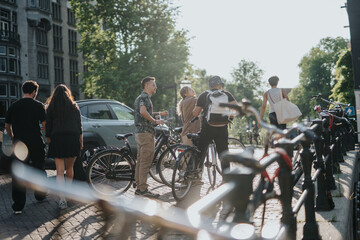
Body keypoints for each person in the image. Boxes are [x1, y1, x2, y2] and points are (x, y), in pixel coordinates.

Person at [5, 80, 47, 214]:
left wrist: (12, 137)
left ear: (24, 91)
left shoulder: (14, 106)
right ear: (34, 91)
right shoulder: (39, 106)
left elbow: (7, 125)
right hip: (36, 142)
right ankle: (40, 195)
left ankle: (18, 205)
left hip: (19, 145)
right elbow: (45, 124)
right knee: (39, 168)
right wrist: (45, 137)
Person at [45, 84, 83, 209]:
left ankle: (62, 199)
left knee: (59, 171)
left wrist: (48, 138)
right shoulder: (74, 106)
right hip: (72, 139)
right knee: (70, 169)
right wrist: (81, 141)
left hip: (57, 139)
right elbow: (79, 126)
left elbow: (48, 126)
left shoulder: (51, 107)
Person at [192, 75, 237, 173]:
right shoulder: (227, 94)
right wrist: (231, 117)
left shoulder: (204, 95)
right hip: (222, 127)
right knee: (224, 152)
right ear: (220, 84)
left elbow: (195, 113)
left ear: (210, 85)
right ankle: (226, 177)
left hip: (208, 127)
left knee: (201, 150)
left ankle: (196, 174)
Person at [134, 76, 168, 199]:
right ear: (147, 85)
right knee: (145, 162)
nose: (156, 87)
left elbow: (142, 112)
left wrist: (159, 114)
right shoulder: (145, 97)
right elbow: (143, 112)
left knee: (140, 162)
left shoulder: (140, 97)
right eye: (154, 85)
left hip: (139, 133)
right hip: (146, 133)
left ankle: (138, 186)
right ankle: (143, 189)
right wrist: (155, 121)